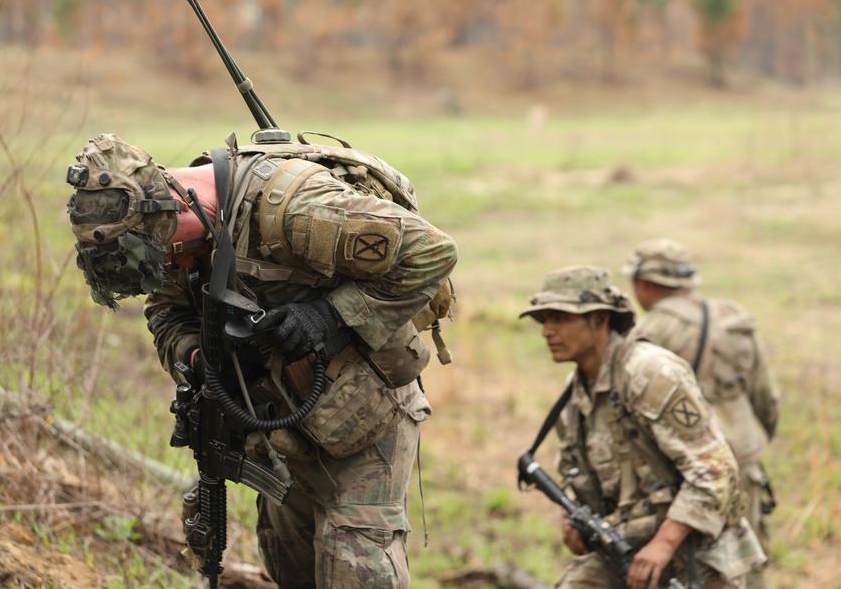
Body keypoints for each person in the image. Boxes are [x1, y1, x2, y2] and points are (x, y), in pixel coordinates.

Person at [65, 132, 457, 588]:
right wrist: (196, 357)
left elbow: (432, 252)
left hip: (365, 408)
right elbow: (166, 310)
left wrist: (328, 315)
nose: (170, 259)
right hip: (279, 416)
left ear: (177, 205)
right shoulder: (165, 231)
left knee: (354, 564)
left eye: (165, 249)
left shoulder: (298, 207)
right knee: (291, 566)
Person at [519, 265, 765, 589]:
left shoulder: (651, 374)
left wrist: (662, 545)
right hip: (626, 550)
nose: (547, 331)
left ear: (600, 319)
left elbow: (717, 471)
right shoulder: (574, 396)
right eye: (545, 320)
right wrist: (572, 524)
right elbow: (576, 477)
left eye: (561, 319)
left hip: (697, 553)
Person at [621, 238, 779, 587]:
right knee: (747, 568)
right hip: (743, 462)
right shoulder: (732, 319)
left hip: (685, 473)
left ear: (644, 285)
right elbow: (766, 399)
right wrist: (751, 448)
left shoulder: (649, 332)